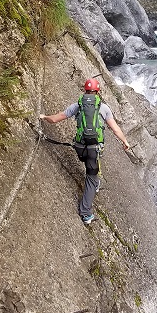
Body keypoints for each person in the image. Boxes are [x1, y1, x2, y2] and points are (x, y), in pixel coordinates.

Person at [40, 78, 130, 225]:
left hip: (80, 148)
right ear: (98, 91)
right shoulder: (104, 108)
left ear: (85, 91)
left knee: (90, 166)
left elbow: (57, 118)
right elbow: (115, 129)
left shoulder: (78, 105)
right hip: (94, 150)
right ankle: (86, 213)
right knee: (92, 178)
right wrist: (125, 142)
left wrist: (44, 117)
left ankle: (94, 181)